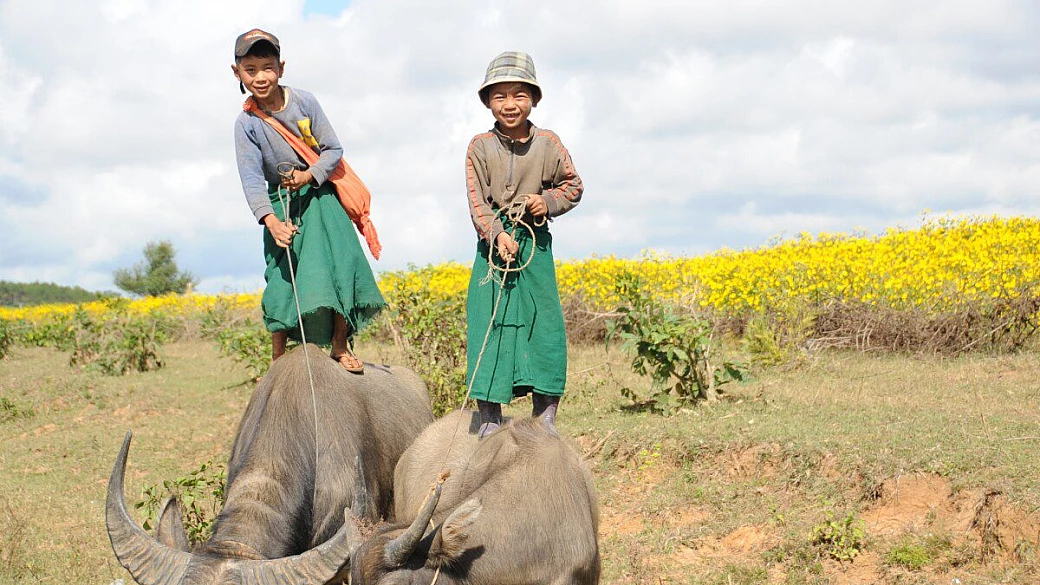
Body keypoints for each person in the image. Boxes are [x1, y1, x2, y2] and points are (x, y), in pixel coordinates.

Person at [231, 28, 385, 373]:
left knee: (342, 263)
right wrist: (271, 222)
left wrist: (309, 175)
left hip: (320, 195)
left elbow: (333, 149)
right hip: (280, 203)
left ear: (281, 68)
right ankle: (277, 360)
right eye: (250, 69)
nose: (260, 77)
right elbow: (251, 178)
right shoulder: (246, 124)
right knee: (281, 276)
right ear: (237, 73)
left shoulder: (305, 102)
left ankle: (340, 345)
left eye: (267, 67)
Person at [464, 52, 583, 436]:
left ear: (533, 98)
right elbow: (477, 202)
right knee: (488, 322)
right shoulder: (479, 147)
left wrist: (546, 202)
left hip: (535, 245)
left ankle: (546, 414)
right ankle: (489, 416)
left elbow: (573, 186)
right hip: (492, 248)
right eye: (500, 96)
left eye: (519, 95)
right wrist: (498, 234)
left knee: (543, 323)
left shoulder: (549, 144)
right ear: (488, 102)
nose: (510, 104)